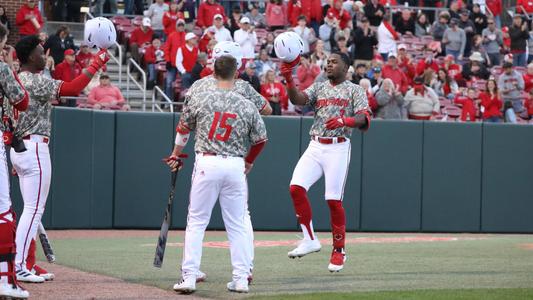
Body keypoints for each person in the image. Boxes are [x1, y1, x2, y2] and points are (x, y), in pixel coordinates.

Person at [12, 35, 108, 284]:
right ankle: (19, 265)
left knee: (32, 211)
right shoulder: (33, 80)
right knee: (33, 211)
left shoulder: (16, 79)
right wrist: (96, 63)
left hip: (20, 147)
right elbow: (73, 89)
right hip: (33, 147)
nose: (44, 55)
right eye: (39, 52)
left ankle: (27, 263)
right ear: (29, 57)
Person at [169, 56, 267, 294]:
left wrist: (175, 154)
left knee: (197, 221)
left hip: (207, 161)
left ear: (213, 72)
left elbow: (183, 129)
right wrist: (249, 162)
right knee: (237, 225)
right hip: (235, 165)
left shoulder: (201, 97)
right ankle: (241, 279)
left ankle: (190, 276)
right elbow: (261, 139)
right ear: (236, 75)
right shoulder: (246, 103)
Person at [280, 52, 370, 272]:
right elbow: (298, 99)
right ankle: (310, 239)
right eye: (327, 61)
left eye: (334, 62)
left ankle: (339, 250)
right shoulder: (319, 86)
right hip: (316, 144)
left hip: (338, 147)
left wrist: (344, 120)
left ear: (346, 67)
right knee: (296, 188)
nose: (329, 64)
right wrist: (289, 80)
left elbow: (364, 118)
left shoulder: (355, 89)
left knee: (333, 200)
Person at [0, 24, 30, 300]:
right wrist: (8, 65)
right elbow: (22, 101)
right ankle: (4, 280)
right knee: (3, 210)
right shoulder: (1, 67)